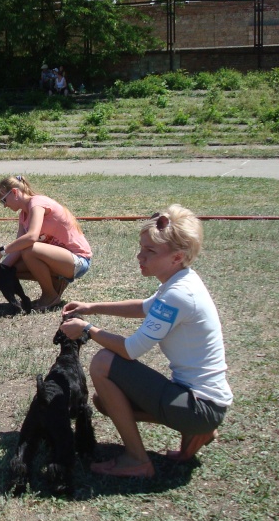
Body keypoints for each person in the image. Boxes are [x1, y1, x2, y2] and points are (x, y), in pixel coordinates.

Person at [59, 205, 233, 478]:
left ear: (177, 256)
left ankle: (137, 460)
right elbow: (143, 307)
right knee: (104, 402)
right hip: (203, 403)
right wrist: (91, 307)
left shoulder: (179, 294)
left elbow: (130, 350)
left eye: (150, 251)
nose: (140, 256)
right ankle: (196, 429)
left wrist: (87, 329)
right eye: (141, 248)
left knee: (103, 362)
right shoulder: (181, 281)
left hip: (200, 407)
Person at [0, 175, 92, 311]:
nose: (5, 206)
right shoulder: (23, 215)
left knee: (29, 250)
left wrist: (0, 252)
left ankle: (50, 296)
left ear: (14, 192)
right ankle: (56, 282)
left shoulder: (37, 203)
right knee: (11, 270)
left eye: (4, 200)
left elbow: (31, 237)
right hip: (61, 261)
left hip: (79, 261)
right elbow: (17, 249)